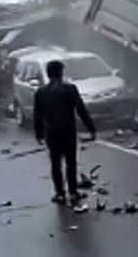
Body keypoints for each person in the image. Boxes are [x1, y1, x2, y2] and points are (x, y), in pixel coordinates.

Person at [33, 60, 97, 210]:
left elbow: (38, 116)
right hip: (68, 131)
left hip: (52, 133)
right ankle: (73, 192)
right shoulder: (70, 89)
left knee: (55, 164)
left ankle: (60, 193)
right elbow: (81, 110)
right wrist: (91, 128)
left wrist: (39, 134)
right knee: (71, 163)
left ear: (48, 74)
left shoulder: (41, 93)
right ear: (61, 73)